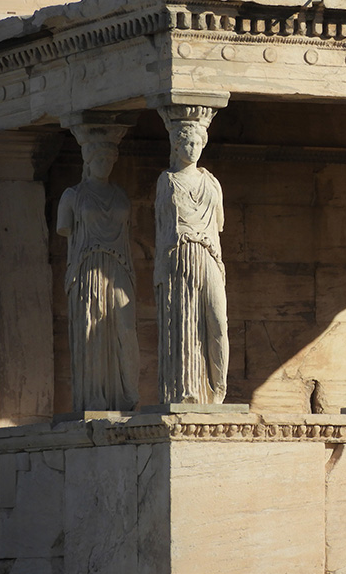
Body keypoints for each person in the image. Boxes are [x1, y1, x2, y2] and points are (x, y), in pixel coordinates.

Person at [57, 126, 139, 412]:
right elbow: (64, 228)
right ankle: (94, 400)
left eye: (109, 158)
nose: (104, 163)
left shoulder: (121, 195)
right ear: (88, 161)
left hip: (118, 267)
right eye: (98, 159)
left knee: (125, 328)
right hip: (88, 267)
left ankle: (127, 397)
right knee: (92, 328)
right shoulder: (72, 196)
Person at [154, 109, 228, 404]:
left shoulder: (211, 181)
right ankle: (187, 391)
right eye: (187, 143)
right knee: (183, 322)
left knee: (217, 321)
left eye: (197, 143)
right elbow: (162, 228)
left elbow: (219, 223)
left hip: (208, 253)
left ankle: (218, 390)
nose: (192, 149)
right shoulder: (167, 181)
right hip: (179, 254)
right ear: (175, 145)